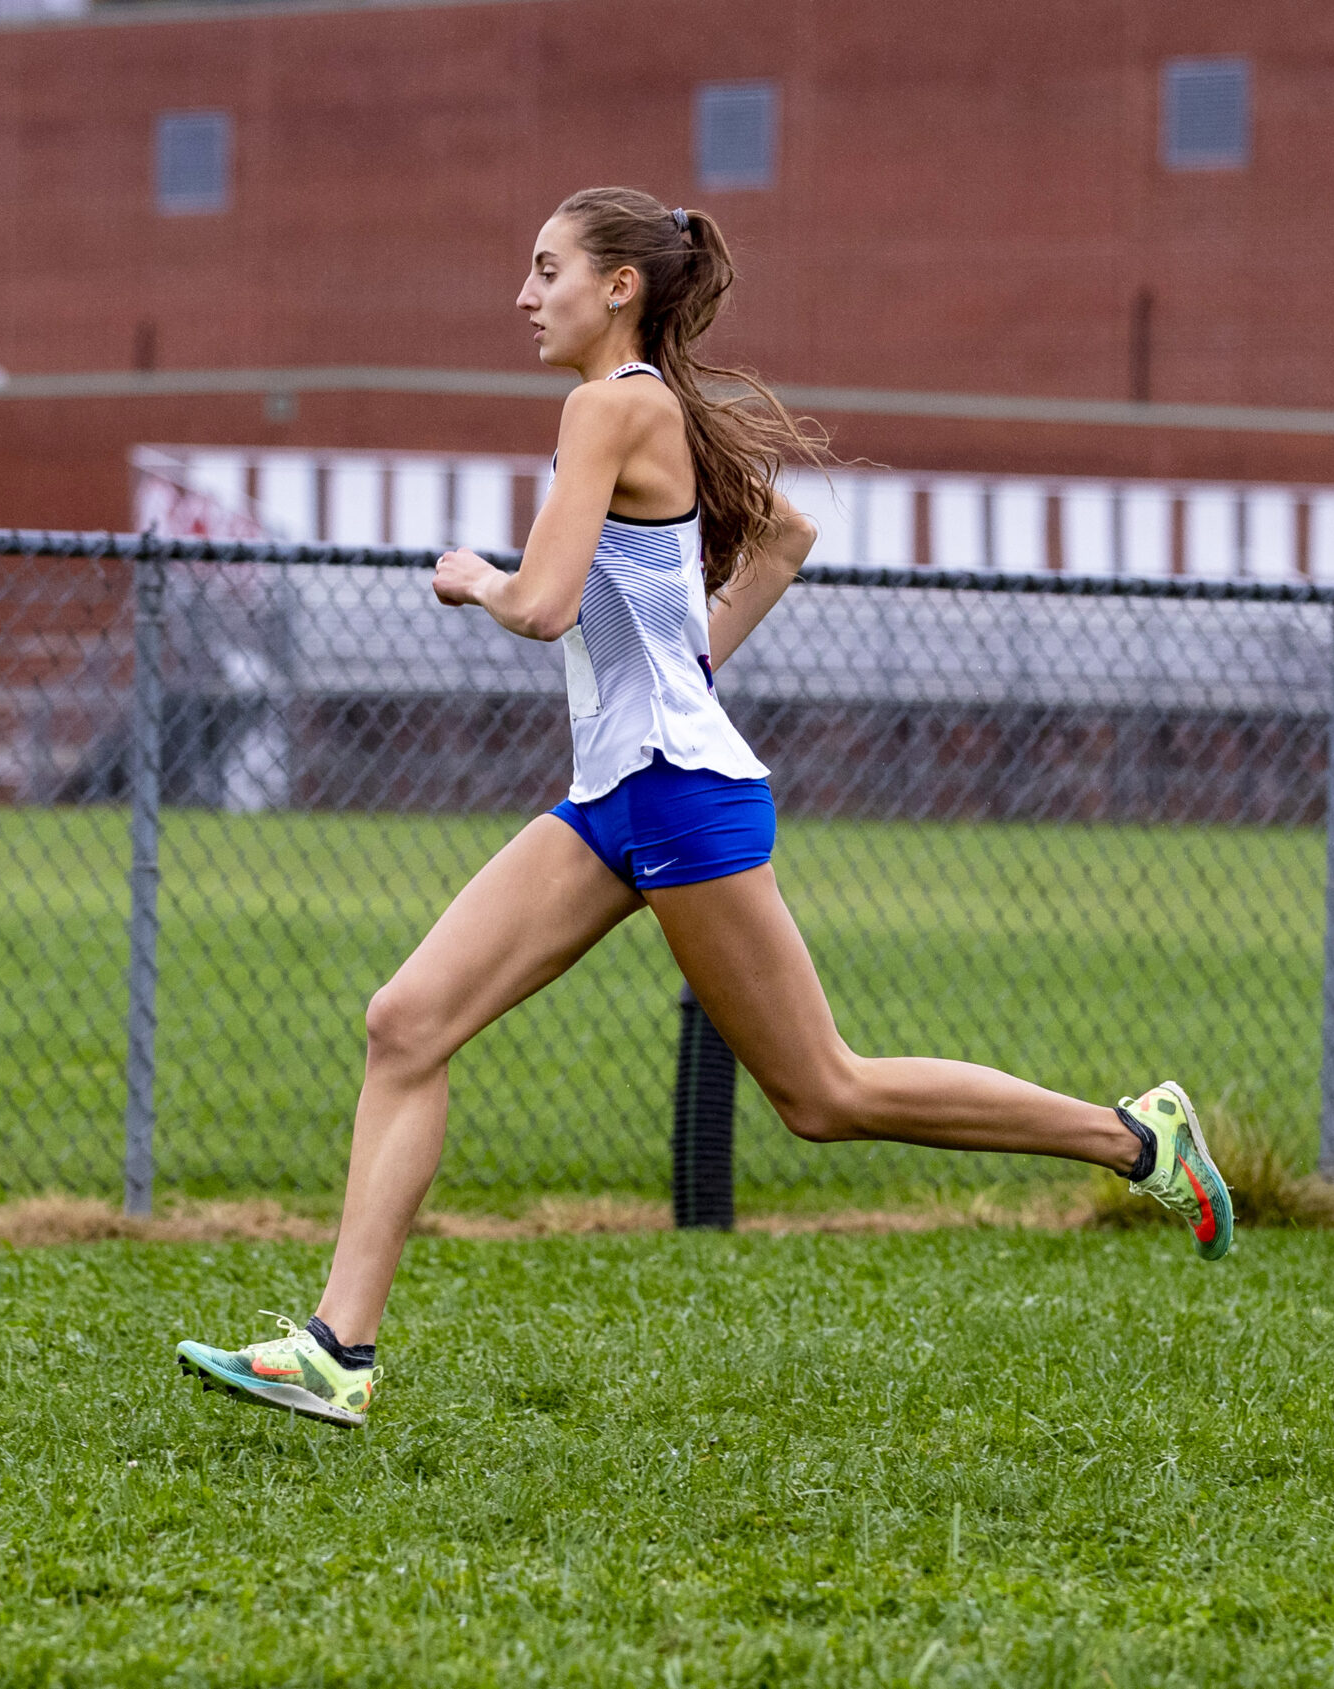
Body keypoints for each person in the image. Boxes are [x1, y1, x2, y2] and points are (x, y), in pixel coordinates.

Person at [178, 189, 1233, 1429]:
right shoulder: (641, 411)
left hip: (679, 798)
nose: (524, 295)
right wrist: (692, 663)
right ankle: (335, 1352)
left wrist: (476, 579)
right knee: (405, 1022)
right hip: (615, 795)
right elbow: (781, 535)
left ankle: (1133, 1138)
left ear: (618, 285)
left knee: (821, 1096)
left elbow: (547, 606)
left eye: (546, 268)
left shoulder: (609, 405)